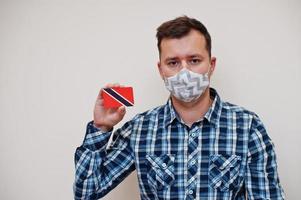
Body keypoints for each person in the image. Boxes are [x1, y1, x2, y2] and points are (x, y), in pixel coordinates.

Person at [73, 15, 285, 200]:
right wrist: (100, 128)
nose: (185, 73)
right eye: (173, 62)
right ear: (161, 69)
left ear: (211, 65)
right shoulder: (140, 129)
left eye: (194, 60)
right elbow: (86, 193)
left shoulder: (247, 126)